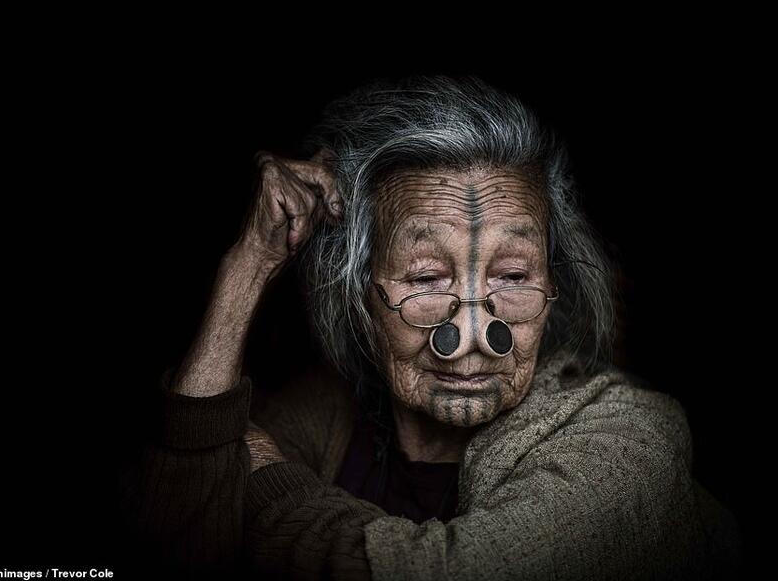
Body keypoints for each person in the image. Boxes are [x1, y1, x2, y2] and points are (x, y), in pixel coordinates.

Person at [120, 76, 741, 579]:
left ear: (554, 290)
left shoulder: (630, 439)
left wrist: (259, 480)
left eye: (514, 275)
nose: (472, 335)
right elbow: (174, 549)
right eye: (425, 279)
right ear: (359, 294)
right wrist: (247, 266)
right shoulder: (329, 414)